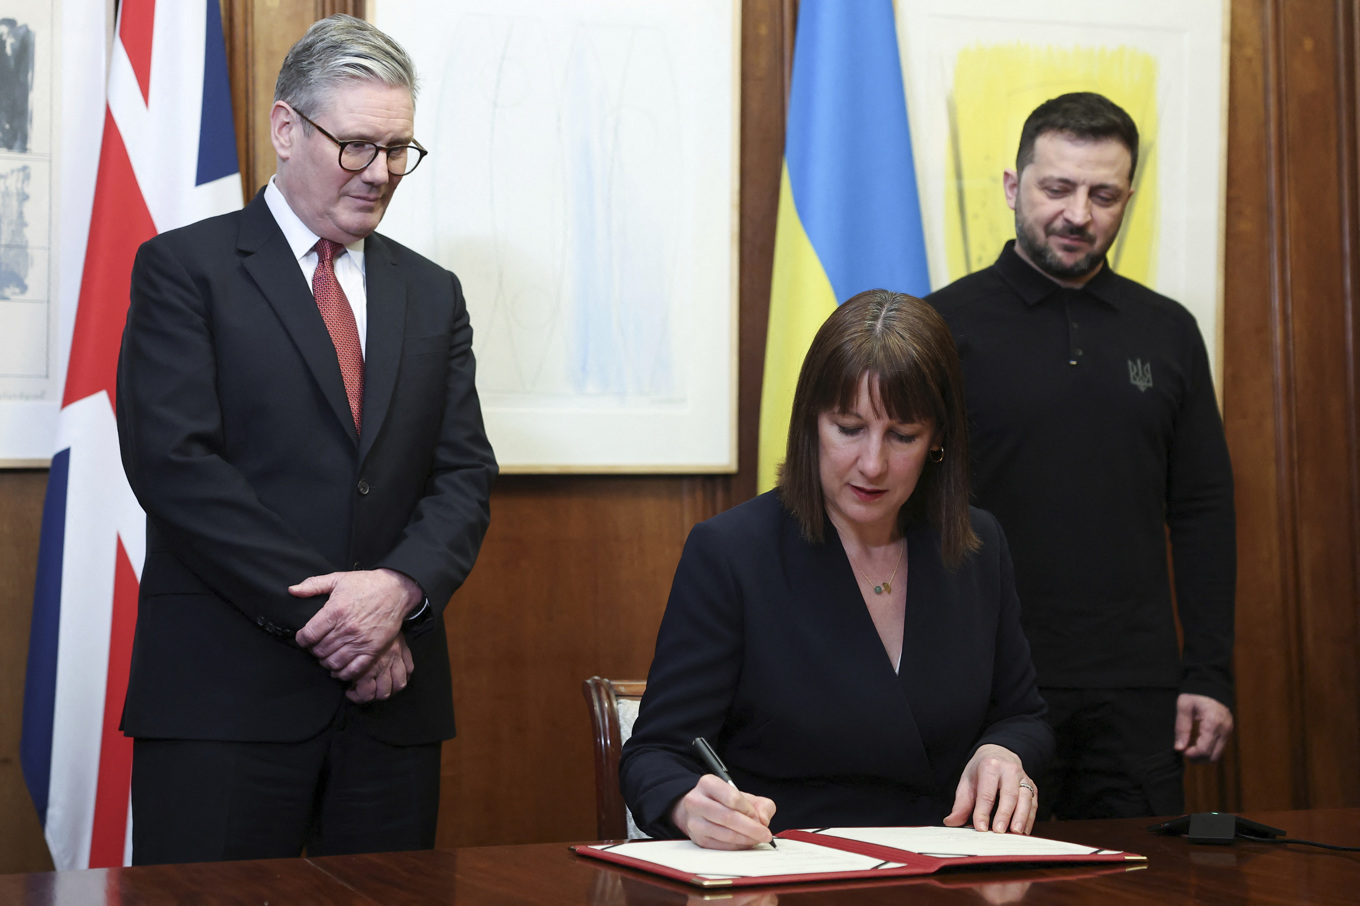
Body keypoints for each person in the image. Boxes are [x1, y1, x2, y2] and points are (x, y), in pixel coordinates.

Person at [115, 15, 496, 863]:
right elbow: (175, 467)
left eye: (400, 149)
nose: (382, 173)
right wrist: (342, 618)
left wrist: (397, 592)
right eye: (357, 146)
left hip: (390, 711)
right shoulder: (184, 270)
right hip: (225, 711)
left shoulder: (432, 295)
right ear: (287, 129)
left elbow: (464, 476)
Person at [620, 290, 1053, 849]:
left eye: (903, 436)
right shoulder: (730, 552)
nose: (872, 464)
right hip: (791, 873)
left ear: (938, 440)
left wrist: (1005, 750)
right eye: (849, 428)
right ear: (811, 423)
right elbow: (656, 754)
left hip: (946, 872)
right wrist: (688, 804)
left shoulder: (976, 544)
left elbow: (1024, 716)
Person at [926, 92, 1236, 820]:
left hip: (1136, 690)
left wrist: (1210, 673)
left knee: (1139, 887)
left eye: (1103, 195)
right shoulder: (941, 326)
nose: (1078, 215)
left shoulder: (1169, 331)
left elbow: (1202, 510)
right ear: (1012, 187)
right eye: (1056, 188)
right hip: (984, 685)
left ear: (1128, 197)